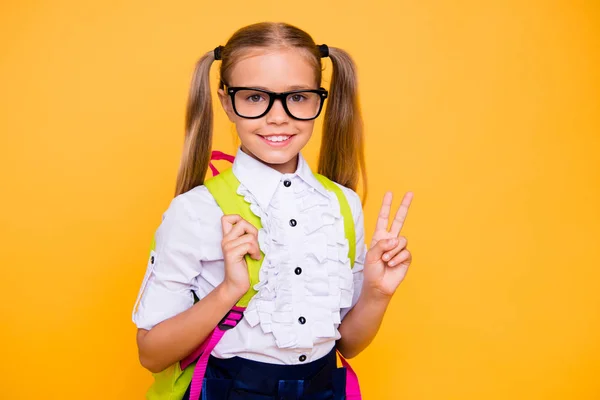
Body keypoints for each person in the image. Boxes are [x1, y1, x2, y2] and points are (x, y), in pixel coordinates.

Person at [132, 21, 413, 400]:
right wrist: (231, 289)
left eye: (297, 97)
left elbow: (347, 345)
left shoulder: (341, 205)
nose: (277, 116)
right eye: (254, 97)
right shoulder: (195, 211)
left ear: (320, 99)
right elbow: (151, 353)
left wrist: (377, 293)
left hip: (323, 388)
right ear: (226, 101)